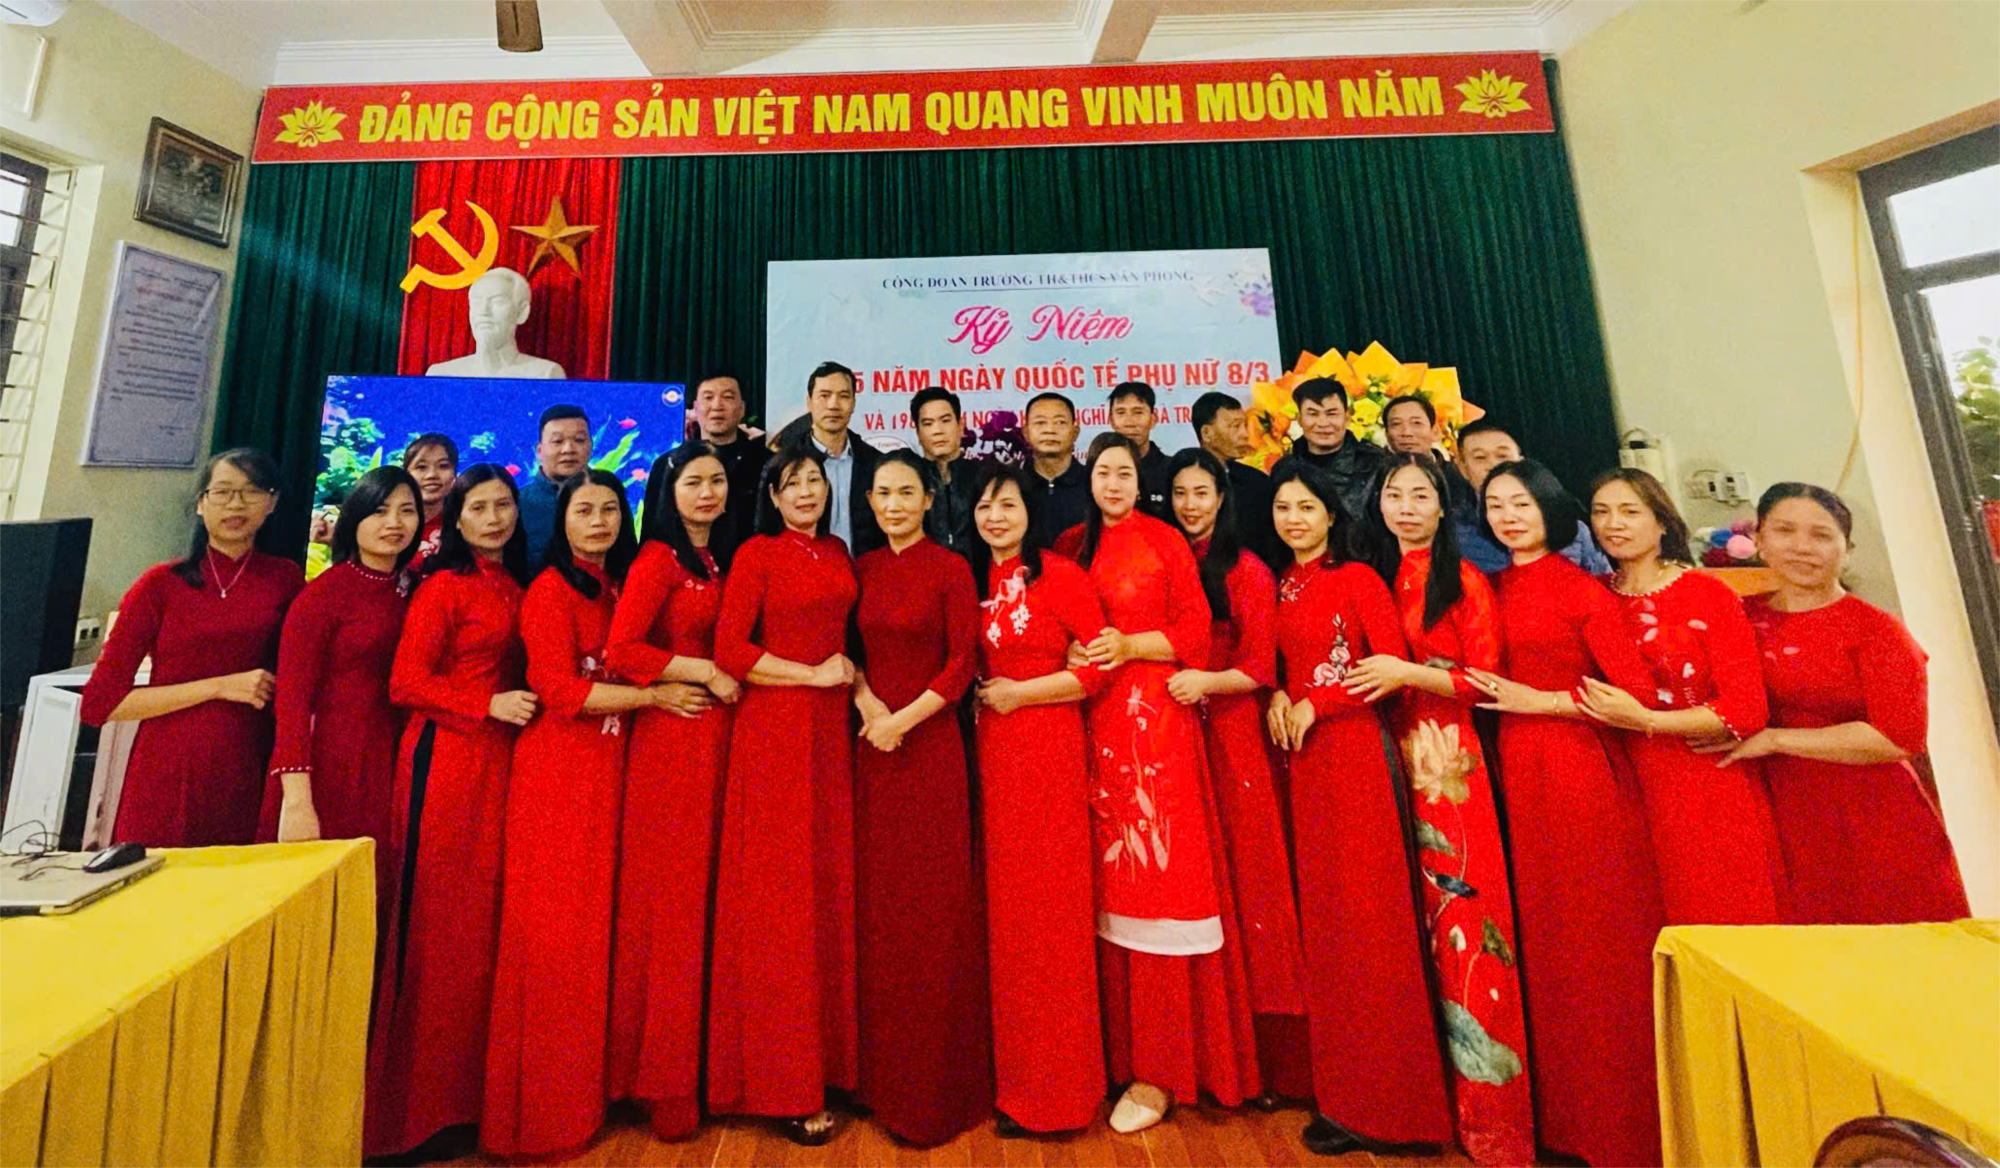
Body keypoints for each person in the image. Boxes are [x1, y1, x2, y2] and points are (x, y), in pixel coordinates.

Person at [1464, 458, 1665, 1168]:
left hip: (1571, 768)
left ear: (1550, 509)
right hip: (1511, 768)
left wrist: (1541, 702)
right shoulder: (1489, 586)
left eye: (1522, 503)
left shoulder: (1582, 590)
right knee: (1537, 938)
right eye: (1496, 504)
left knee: (1588, 941)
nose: (1508, 516)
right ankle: (1555, 1121)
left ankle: (1612, 1129)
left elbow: (1635, 696)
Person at [1344, 453, 1536, 1165]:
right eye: (1394, 494)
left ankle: (1490, 1115)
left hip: (1444, 759)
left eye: (1420, 495)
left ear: (1443, 505)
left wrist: (1407, 672)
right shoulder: (1371, 574)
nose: (1406, 507)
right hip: (1380, 755)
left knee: (1462, 924)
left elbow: (1487, 680)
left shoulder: (1464, 580)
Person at [1264, 457, 1454, 1158]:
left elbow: (1391, 669)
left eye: (1305, 508)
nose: (1293, 520)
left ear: (1331, 515)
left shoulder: (1357, 579)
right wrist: (1281, 694)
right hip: (1302, 762)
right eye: (1282, 508)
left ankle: (1396, 1109)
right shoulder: (1282, 582)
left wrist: (1317, 702)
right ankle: (1342, 1091)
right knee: (1327, 927)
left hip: (1352, 759)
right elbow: (1280, 664)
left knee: (1370, 922)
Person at [1070, 434, 1258, 1134]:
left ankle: (1162, 1066)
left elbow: (1196, 632)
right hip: (1085, 720)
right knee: (1100, 884)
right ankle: (1111, 1053)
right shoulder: (1071, 547)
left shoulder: (1162, 540)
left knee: (1157, 878)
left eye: (1125, 472)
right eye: (1103, 472)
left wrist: (1129, 645)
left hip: (1152, 720)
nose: (1113, 483)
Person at [485, 470, 671, 1156]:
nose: (598, 521)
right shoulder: (548, 591)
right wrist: (653, 699)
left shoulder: (621, 585)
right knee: (557, 938)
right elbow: (559, 690)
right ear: (560, 520)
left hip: (616, 768)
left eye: (610, 510)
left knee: (602, 935)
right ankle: (542, 1111)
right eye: (584, 510)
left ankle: (597, 1092)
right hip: (561, 773)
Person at [367, 464, 537, 1160]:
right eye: (479, 508)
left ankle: (465, 1102)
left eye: (504, 505)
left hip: (500, 766)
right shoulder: (444, 587)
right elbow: (405, 681)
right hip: (445, 761)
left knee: (480, 936)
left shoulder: (516, 584)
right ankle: (405, 1117)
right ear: (456, 521)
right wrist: (485, 704)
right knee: (433, 930)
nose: (494, 518)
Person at [1708, 483, 1970, 924]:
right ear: (1759, 539)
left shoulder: (1877, 630)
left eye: (1821, 535)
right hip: (1769, 808)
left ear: (1846, 549)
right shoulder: (1736, 616)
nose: (1802, 547)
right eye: (1785, 530)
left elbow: (1897, 738)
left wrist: (1775, 739)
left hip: (1865, 814)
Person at [706, 446, 860, 1146]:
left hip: (830, 733)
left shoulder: (836, 551)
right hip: (775, 732)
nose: (805, 492)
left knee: (826, 893)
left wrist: (843, 685)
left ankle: (832, 1064)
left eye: (813, 481)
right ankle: (782, 1081)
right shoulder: (757, 554)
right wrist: (810, 675)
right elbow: (732, 651)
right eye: (791, 483)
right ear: (771, 495)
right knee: (780, 903)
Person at [849, 450, 991, 1146]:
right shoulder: (863, 568)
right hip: (872, 751)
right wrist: (869, 706)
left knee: (935, 913)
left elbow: (962, 663)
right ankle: (878, 1081)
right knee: (881, 915)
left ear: (929, 500)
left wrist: (901, 721)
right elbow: (849, 655)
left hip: (929, 749)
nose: (895, 504)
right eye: (883, 493)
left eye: (907, 492)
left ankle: (939, 1089)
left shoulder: (952, 567)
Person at [965, 463, 1111, 1137]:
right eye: (984, 507)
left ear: (1030, 512)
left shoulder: (1061, 576)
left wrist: (1022, 694)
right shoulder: (974, 579)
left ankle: (1063, 1091)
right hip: (991, 756)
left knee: (1053, 913)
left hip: (1047, 749)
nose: (995, 518)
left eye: (1008, 506)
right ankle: (1015, 1082)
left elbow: (1097, 667)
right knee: (1008, 919)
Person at [1162, 449, 1311, 1107]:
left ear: (1222, 498)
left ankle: (1270, 1062)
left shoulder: (1245, 569)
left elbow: (1257, 666)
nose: (1190, 505)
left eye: (1201, 492)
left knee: (1252, 885)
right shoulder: (1168, 562)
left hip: (1232, 736)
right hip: (1177, 732)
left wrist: (1204, 682)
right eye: (1180, 493)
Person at [605, 443, 743, 1137]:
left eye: (717, 480)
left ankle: (709, 1072)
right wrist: (697, 673)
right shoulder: (657, 559)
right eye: (693, 482)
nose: (708, 492)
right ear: (668, 490)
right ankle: (664, 1085)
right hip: (674, 742)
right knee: (672, 908)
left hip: (718, 740)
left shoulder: (716, 558)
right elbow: (622, 648)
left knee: (710, 902)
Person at [1578, 469, 1784, 925]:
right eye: (1601, 512)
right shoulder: (1592, 596)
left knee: (1718, 919)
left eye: (1630, 511)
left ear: (1662, 523)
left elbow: (1747, 708)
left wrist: (1648, 721)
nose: (1613, 523)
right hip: (1621, 781)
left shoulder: (1705, 592)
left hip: (1701, 779)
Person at [81, 448, 303, 847]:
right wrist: (218, 686)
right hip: (167, 766)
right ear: (201, 503)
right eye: (222, 491)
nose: (236, 504)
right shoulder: (160, 584)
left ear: (272, 503)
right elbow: (100, 704)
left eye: (252, 491)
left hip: (248, 762)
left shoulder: (285, 580)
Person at [261, 465, 420, 906]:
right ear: (354, 518)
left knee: (373, 893)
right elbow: (292, 700)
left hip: (390, 757)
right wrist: (297, 799)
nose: (394, 523)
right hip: (331, 761)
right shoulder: (322, 597)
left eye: (407, 511)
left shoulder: (413, 589)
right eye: (380, 511)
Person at [1452, 420, 1608, 575]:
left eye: (1502, 455)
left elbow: (1603, 580)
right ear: (1462, 468)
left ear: (1521, 461)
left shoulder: (1572, 527)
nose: (1493, 465)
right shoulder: (1453, 533)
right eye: (1480, 457)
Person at [772, 361, 883, 554]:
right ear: (809, 402)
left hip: (867, 569)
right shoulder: (785, 463)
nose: (833, 405)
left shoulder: (875, 462)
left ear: (854, 403)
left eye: (843, 396)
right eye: (824, 396)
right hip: (807, 566)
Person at [1191, 390, 1281, 571]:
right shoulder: (1180, 479)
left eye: (1244, 426)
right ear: (1207, 433)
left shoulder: (1257, 483)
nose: (1245, 434)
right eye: (1234, 426)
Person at [423, 266, 565, 379]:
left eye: (497, 301)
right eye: (477, 302)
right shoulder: (441, 375)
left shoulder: (545, 374)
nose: (483, 311)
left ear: (522, 312)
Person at [1288, 377, 1386, 525]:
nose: (1323, 423)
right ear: (1300, 419)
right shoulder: (1286, 467)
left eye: (1331, 413)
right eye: (1313, 414)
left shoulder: (1375, 465)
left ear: (1347, 418)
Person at [690, 373, 769, 548]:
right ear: (695, 408)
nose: (717, 406)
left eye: (727, 397)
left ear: (742, 409)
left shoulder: (767, 464)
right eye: (708, 397)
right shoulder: (670, 464)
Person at [911, 385, 982, 555]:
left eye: (945, 421)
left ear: (960, 426)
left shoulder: (983, 476)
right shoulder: (910, 479)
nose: (937, 431)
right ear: (918, 433)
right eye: (928, 424)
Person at [518, 404, 593, 562]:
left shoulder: (609, 497)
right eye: (557, 441)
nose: (568, 449)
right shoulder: (519, 503)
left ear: (591, 446)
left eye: (579, 440)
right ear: (539, 451)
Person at [1024, 391, 1090, 536]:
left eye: (1060, 422)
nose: (1050, 430)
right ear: (1026, 432)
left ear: (1075, 432)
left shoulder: (1094, 483)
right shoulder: (1014, 485)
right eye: (1040, 422)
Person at [1109, 380, 1173, 517]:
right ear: (1111, 421)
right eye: (1121, 412)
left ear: (1153, 419)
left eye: (1138, 412)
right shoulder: (1101, 473)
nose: (1130, 422)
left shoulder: (1172, 470)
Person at [403, 432, 459, 567]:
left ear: (455, 474)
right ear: (406, 474)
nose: (432, 475)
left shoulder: (463, 525)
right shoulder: (391, 523)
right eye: (421, 467)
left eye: (443, 466)